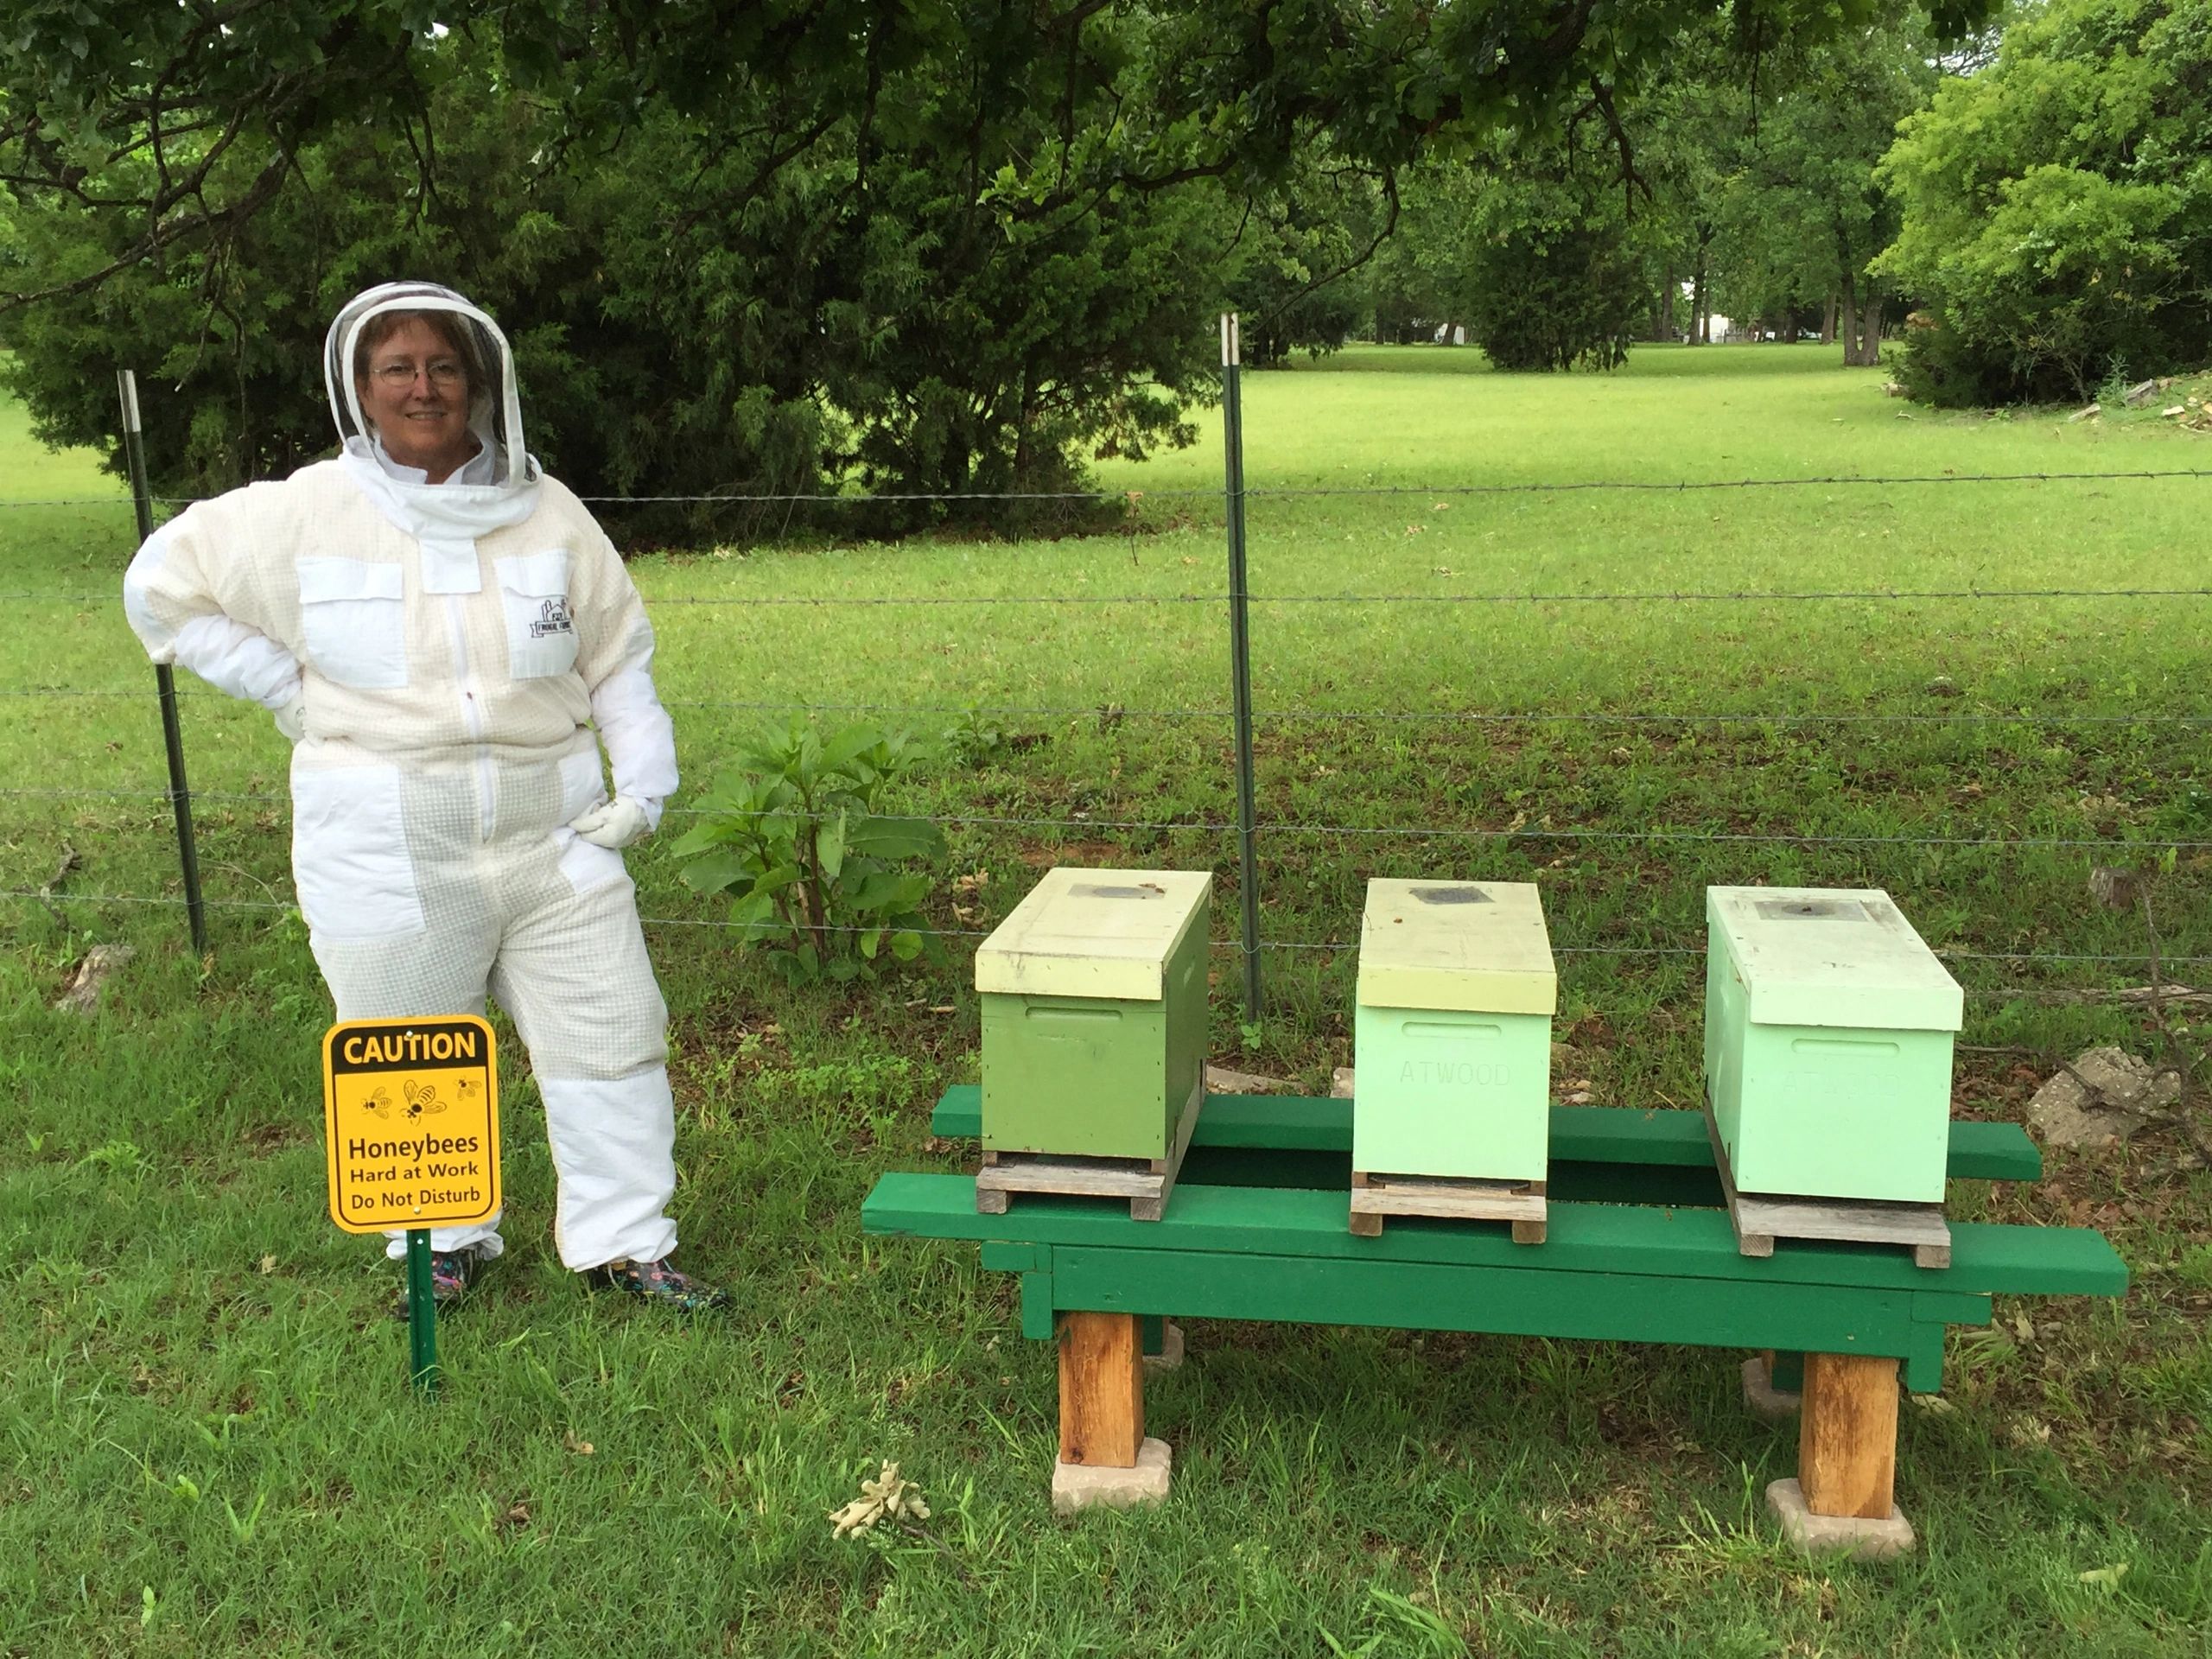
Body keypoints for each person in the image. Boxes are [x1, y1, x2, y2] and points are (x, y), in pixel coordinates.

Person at [124, 280, 726, 1314]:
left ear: (480, 383)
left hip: (554, 833)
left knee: (611, 1029)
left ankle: (628, 1244)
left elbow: (617, 655)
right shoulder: (305, 511)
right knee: (409, 1041)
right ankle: (437, 1244)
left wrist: (648, 784)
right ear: (360, 388)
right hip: (388, 836)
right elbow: (159, 588)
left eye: (444, 367)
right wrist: (286, 688)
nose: (423, 386)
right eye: (398, 367)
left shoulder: (548, 510)